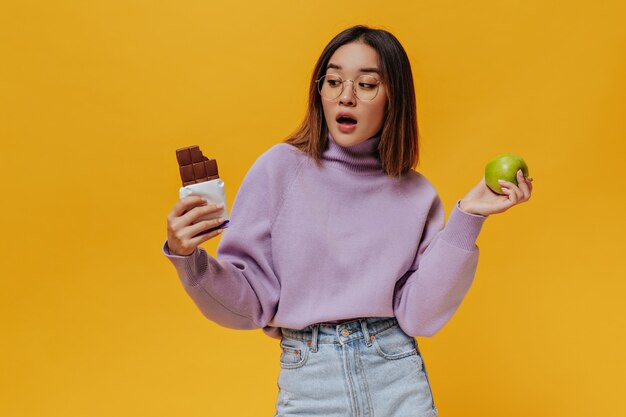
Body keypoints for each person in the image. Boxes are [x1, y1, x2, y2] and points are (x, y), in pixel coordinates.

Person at [162, 25, 532, 417]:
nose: (346, 96)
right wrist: (189, 259)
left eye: (367, 84)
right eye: (334, 81)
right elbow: (248, 305)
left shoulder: (416, 194)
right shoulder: (279, 170)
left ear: (394, 98)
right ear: (319, 90)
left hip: (397, 376)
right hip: (311, 382)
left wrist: (469, 216)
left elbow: (420, 315)